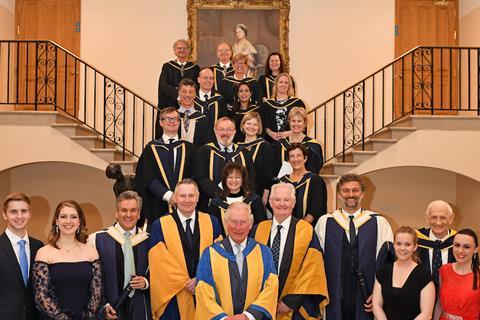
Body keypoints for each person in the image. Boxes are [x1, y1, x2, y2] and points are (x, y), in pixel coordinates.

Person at [314, 173, 394, 320]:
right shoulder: (325, 222)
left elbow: (387, 264)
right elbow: (316, 262)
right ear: (339, 194)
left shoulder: (379, 223)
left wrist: (379, 294)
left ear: (362, 194)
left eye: (355, 190)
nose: (350, 194)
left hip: (367, 294)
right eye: (345, 190)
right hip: (334, 293)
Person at [253, 182, 329, 319]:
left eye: (286, 200)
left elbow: (312, 270)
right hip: (261, 305)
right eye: (277, 199)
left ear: (293, 203)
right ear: (270, 202)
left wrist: (290, 302)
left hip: (296, 308)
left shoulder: (306, 230)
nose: (282, 204)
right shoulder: (258, 229)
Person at [149, 179, 222, 319]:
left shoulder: (212, 222)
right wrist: (186, 282)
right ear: (175, 197)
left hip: (206, 291)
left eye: (191, 195)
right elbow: (159, 262)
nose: (187, 200)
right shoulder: (160, 225)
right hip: (174, 297)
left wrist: (200, 279)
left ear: (198, 197)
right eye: (182, 196)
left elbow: (218, 256)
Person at [195, 202, 278, 319]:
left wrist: (248, 316)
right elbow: (203, 292)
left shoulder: (264, 252)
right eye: (233, 222)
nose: (238, 227)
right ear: (226, 223)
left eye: (243, 222)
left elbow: (271, 288)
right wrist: (223, 318)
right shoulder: (210, 254)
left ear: (250, 224)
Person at [33, 200, 103, 319]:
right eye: (63, 216)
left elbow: (97, 292)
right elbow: (41, 296)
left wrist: (88, 316)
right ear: (56, 220)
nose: (68, 221)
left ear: (79, 221)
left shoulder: (91, 251)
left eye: (73, 217)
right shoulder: (43, 253)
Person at [89, 191, 151, 320]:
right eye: (124, 210)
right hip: (110, 307)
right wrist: (102, 305)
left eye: (133, 210)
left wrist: (146, 282)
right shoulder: (96, 239)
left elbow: (160, 273)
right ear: (116, 213)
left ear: (139, 214)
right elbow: (91, 279)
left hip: (141, 306)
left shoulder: (149, 241)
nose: (128, 215)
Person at [135, 107, 195, 225]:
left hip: (186, 204)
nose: (172, 122)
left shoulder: (189, 148)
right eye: (168, 119)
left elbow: (193, 175)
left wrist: (182, 195)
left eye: (175, 119)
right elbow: (148, 177)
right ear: (161, 122)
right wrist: (169, 196)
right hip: (158, 205)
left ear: (179, 122)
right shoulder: (151, 148)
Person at [372, 226, 435, 320]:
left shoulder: (424, 275)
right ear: (394, 245)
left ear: (415, 247)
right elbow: (376, 305)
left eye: (407, 244)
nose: (402, 248)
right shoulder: (383, 272)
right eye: (398, 243)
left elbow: (427, 314)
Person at [194, 117, 256, 211]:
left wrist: (239, 196)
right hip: (212, 204)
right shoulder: (203, 151)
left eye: (229, 129)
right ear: (215, 131)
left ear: (235, 132)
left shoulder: (244, 153)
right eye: (221, 129)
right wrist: (222, 196)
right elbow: (201, 178)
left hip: (240, 204)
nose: (225, 133)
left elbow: (251, 178)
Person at [0, 192, 43, 320]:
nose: (19, 216)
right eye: (13, 211)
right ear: (4, 214)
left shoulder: (39, 246)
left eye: (23, 211)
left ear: (30, 213)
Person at [156, 39, 200, 137]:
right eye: (179, 48)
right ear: (174, 50)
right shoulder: (167, 66)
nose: (181, 50)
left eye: (185, 48)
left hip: (188, 107)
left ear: (189, 51)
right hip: (170, 104)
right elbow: (163, 85)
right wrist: (179, 96)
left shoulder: (195, 68)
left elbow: (197, 87)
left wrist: (185, 97)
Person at [208, 162, 266, 236]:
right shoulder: (216, 203)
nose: (233, 180)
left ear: (243, 179)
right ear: (224, 179)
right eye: (230, 177)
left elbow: (261, 226)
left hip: (251, 245)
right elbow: (212, 229)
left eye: (237, 177)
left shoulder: (254, 200)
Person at [434, 229, 480, 320]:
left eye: (466, 247)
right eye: (457, 245)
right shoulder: (444, 270)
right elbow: (439, 303)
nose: (460, 250)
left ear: (475, 249)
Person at [280, 143, 327, 225]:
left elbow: (316, 208)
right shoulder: (282, 182)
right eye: (292, 156)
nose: (295, 159)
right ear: (288, 160)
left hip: (307, 229)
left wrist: (300, 228)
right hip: (285, 229)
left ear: (305, 158)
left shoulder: (315, 180)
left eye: (299, 155)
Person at [416, 200, 457, 289]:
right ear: (427, 218)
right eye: (434, 217)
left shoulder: (459, 242)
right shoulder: (416, 240)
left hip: (452, 295)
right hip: (420, 296)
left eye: (443, 217)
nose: (438, 222)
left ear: (451, 218)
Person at [237, 111, 274, 204]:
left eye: (255, 124)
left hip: (259, 195)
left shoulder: (265, 147)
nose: (251, 127)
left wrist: (264, 199)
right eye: (248, 123)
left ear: (259, 128)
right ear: (243, 125)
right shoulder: (236, 147)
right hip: (238, 194)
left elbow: (268, 175)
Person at [275, 107, 323, 176]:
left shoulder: (313, 146)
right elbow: (276, 168)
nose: (296, 124)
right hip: (284, 184)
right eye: (293, 121)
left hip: (306, 184)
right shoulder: (280, 145)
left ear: (304, 123)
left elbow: (315, 170)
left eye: (299, 121)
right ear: (289, 122)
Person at [262, 73, 305, 144]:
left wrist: (288, 133)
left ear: (289, 86)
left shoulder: (297, 103)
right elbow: (264, 125)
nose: (283, 85)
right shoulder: (267, 105)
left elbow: (302, 124)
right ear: (276, 84)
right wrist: (271, 134)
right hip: (272, 142)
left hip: (292, 142)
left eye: (286, 83)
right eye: (281, 82)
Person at [194, 67, 228, 138]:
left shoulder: (220, 99)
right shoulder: (192, 98)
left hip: (215, 139)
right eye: (205, 78)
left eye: (211, 78)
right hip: (195, 139)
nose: (208, 80)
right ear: (198, 80)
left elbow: (224, 121)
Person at [176, 78, 210, 147]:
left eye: (190, 92)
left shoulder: (203, 119)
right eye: (184, 91)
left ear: (195, 95)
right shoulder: (172, 117)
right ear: (179, 93)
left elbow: (206, 146)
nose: (187, 95)